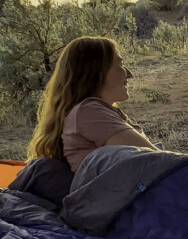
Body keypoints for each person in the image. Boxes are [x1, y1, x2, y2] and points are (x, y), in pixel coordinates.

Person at [27, 36, 157, 172]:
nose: (129, 74)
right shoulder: (89, 112)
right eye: (120, 64)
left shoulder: (93, 113)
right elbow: (157, 160)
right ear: (97, 71)